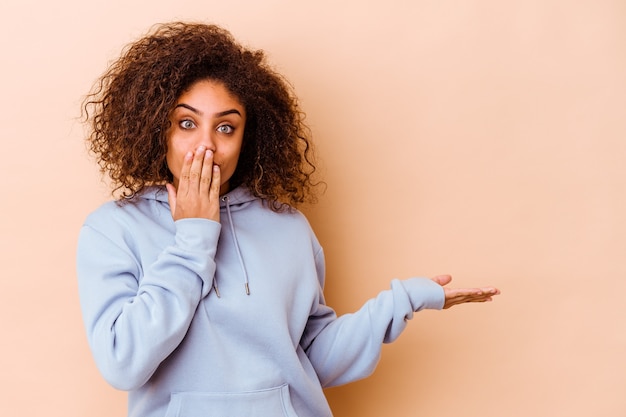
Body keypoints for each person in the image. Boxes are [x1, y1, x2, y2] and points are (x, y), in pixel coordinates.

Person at [77, 21, 500, 417]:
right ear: (156, 128)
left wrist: (401, 302)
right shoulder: (114, 229)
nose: (204, 146)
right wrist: (193, 237)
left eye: (226, 128)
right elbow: (122, 362)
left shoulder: (288, 227)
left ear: (248, 137)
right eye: (186, 123)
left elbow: (311, 357)